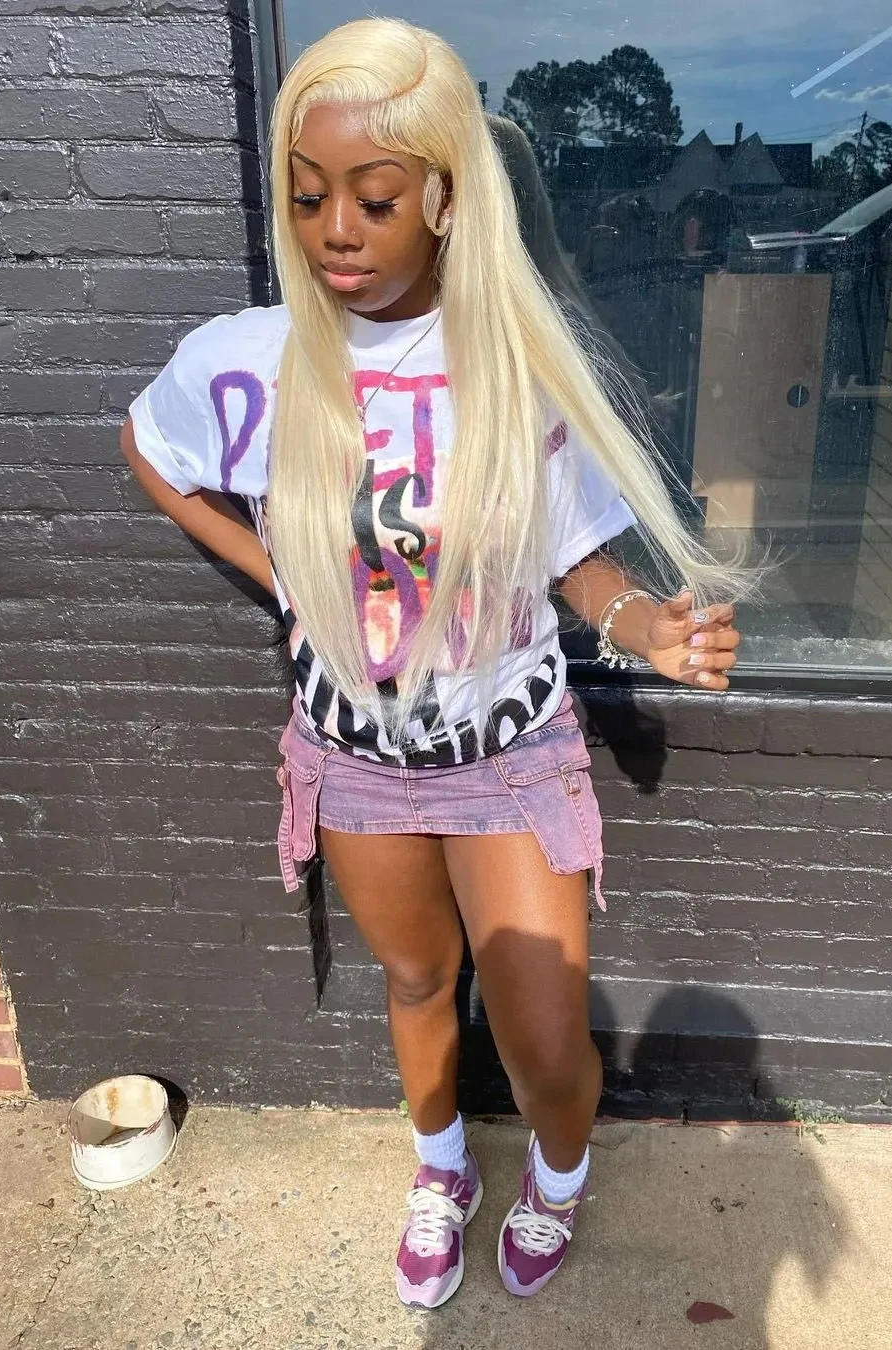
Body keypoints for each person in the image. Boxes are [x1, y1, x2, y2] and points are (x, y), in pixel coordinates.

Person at [121, 17, 743, 1310]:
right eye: (309, 197)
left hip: (506, 752)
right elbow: (152, 450)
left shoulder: (514, 368)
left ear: (447, 197)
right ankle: (443, 1166)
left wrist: (642, 626)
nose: (335, 229)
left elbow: (576, 562)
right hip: (353, 754)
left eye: (375, 196)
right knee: (413, 980)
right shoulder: (245, 362)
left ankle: (558, 1179)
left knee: (544, 1034)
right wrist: (280, 570)